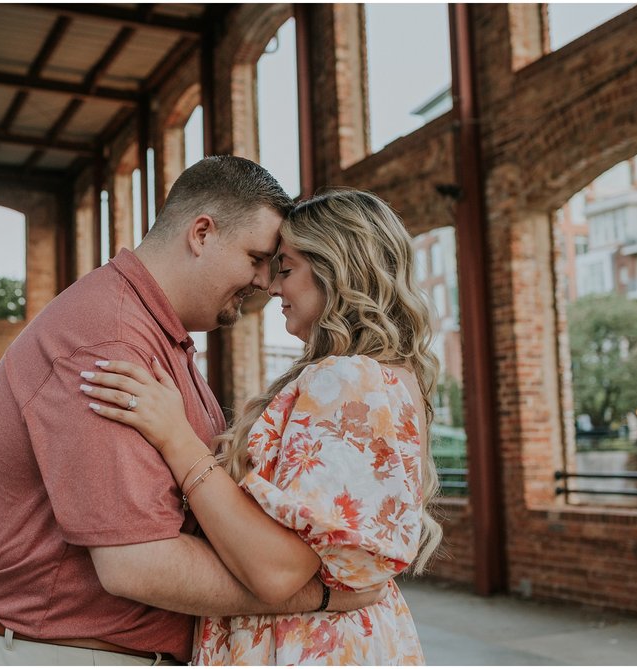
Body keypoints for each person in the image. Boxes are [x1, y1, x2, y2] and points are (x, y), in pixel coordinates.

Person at [0, 158, 379, 666]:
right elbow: (137, 564)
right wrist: (322, 594)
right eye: (257, 258)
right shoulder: (107, 341)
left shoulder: (158, 333)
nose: (266, 282)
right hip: (69, 653)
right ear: (202, 233)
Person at [81, 189, 443, 665]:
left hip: (303, 646)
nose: (272, 288)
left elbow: (276, 571)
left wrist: (174, 436)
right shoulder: (391, 379)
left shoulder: (348, 380)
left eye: (286, 269)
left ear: (337, 269)